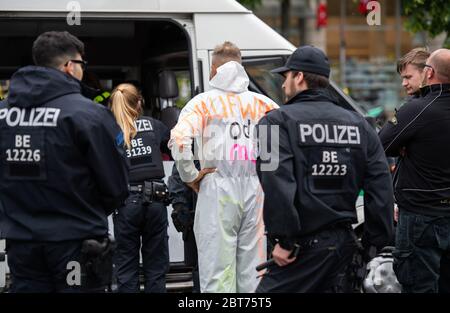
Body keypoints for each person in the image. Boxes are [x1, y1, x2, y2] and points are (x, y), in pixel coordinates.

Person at [255, 45, 394, 293]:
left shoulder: (274, 122)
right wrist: (373, 248)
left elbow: (277, 184)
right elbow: (381, 189)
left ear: (299, 77)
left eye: (286, 76)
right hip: (346, 248)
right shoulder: (360, 125)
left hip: (300, 249)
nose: (284, 84)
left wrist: (284, 240)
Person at [0, 31, 129, 292]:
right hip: (76, 243)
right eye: (82, 64)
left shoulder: (4, 115)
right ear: (70, 66)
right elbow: (116, 185)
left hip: (22, 243)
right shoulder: (88, 115)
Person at [169, 41, 278, 293]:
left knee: (216, 269)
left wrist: (190, 176)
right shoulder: (266, 105)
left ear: (215, 68)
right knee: (255, 270)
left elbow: (179, 139)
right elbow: (275, 155)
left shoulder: (201, 103)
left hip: (216, 187)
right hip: (257, 188)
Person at [379, 49, 450, 293]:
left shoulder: (418, 109)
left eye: (408, 77)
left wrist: (408, 146)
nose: (404, 83)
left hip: (421, 217)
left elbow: (381, 144)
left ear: (429, 73)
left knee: (418, 286)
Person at [109, 83, 171, 293]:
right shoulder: (154, 125)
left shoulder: (109, 130)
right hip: (155, 200)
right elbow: (174, 149)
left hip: (126, 204)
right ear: (139, 103)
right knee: (156, 267)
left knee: (126, 268)